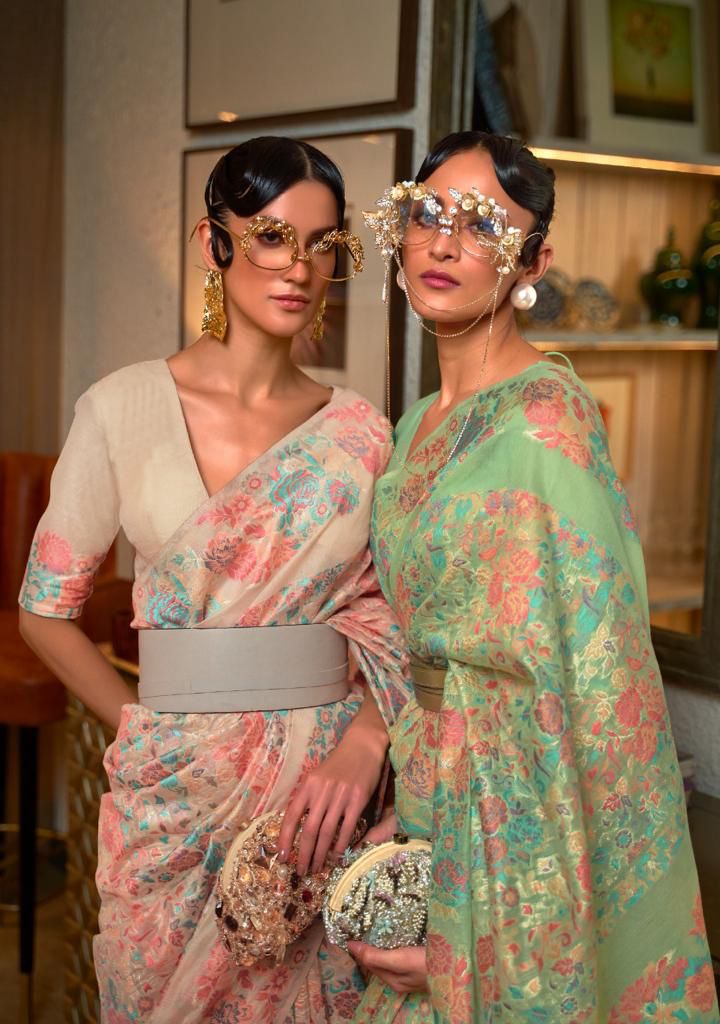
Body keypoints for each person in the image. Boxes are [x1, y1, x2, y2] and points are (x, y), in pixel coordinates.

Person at [18, 136, 412, 1023]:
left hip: (319, 804)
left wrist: (365, 743)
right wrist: (138, 725)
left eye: (322, 244)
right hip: (174, 788)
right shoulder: (121, 408)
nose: (299, 268)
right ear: (213, 241)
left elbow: (401, 614)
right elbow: (44, 611)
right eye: (271, 236)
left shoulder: (361, 434)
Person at [350, 131, 718, 1023]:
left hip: (511, 822)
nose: (443, 244)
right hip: (430, 786)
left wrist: (464, 919)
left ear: (532, 261)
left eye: (482, 225)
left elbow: (578, 679)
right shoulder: (416, 427)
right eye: (427, 214)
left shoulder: (546, 423)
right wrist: (408, 802)